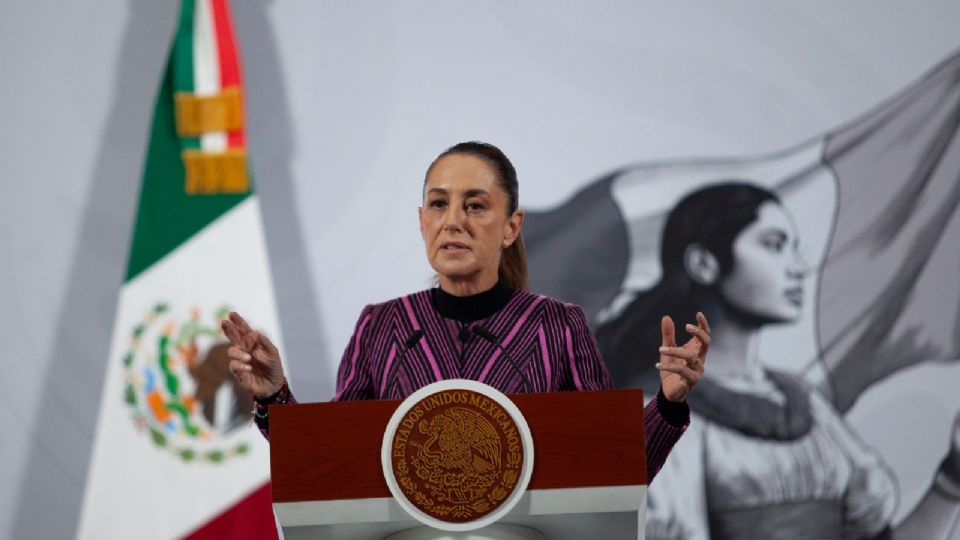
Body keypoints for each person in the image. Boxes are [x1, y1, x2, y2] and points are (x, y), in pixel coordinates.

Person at [221, 141, 710, 480]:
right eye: (438, 204)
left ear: (511, 227)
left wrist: (668, 402)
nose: (452, 221)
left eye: (475, 206)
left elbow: (615, 469)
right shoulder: (382, 328)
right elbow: (331, 467)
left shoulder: (557, 328)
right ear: (421, 221)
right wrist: (274, 396)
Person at [596, 182, 960, 539]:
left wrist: (952, 477)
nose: (799, 267)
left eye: (794, 248)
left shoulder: (807, 405)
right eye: (773, 245)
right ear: (704, 263)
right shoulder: (657, 415)